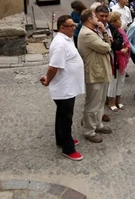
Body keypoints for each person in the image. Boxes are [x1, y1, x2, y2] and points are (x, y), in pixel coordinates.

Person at [39, 15, 85, 161]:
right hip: (65, 88)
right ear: (62, 27)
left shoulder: (66, 39)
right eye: (71, 26)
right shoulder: (60, 44)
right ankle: (68, 148)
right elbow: (53, 67)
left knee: (61, 116)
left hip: (68, 86)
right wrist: (47, 81)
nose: (74, 27)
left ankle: (62, 139)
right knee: (66, 119)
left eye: (74, 25)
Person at [77, 9, 113, 143]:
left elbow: (107, 44)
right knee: (92, 103)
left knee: (100, 101)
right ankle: (89, 131)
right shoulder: (87, 34)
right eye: (94, 16)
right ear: (89, 19)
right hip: (94, 73)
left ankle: (98, 125)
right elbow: (106, 47)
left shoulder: (92, 31)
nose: (98, 19)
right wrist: (104, 32)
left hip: (100, 71)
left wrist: (103, 33)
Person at [107, 12, 131, 112]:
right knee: (113, 81)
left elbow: (127, 43)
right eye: (119, 20)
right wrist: (120, 50)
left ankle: (118, 99)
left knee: (121, 81)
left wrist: (126, 48)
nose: (121, 21)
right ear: (113, 22)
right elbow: (110, 46)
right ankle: (111, 101)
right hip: (114, 59)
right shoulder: (109, 32)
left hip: (123, 59)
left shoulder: (121, 31)